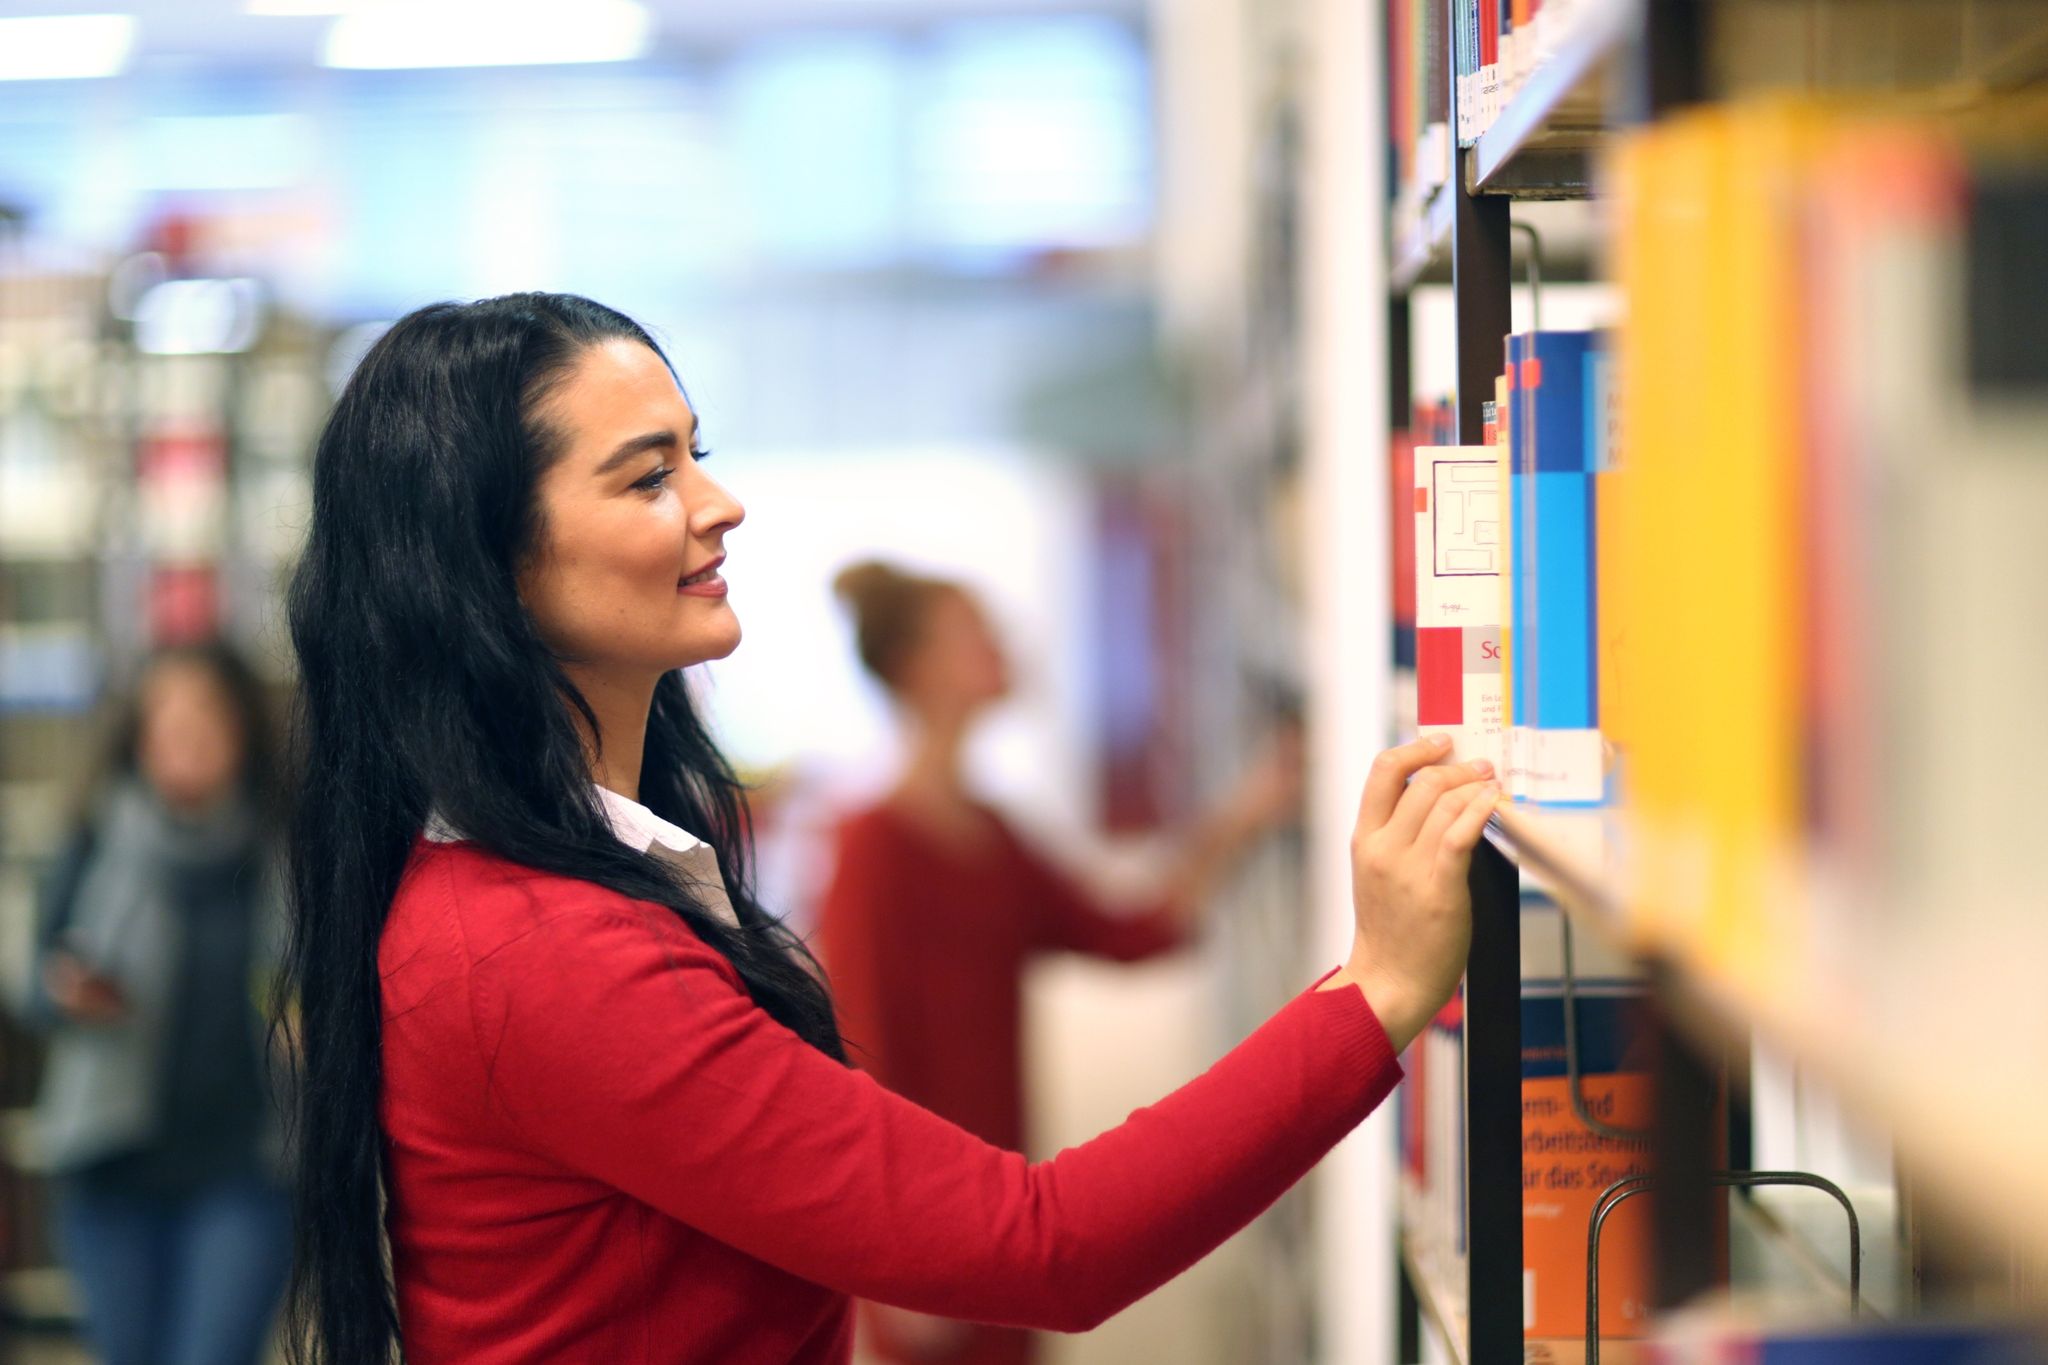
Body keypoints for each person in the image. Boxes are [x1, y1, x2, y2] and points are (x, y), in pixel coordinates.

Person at [280, 292, 1499, 1365]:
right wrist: (1379, 987)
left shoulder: (561, 887)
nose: (722, 502)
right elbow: (1046, 1246)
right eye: (649, 476)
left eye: (698, 454)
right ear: (484, 566)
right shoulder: (545, 957)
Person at [820, 560, 1300, 1365]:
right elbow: (857, 1057)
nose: (1004, 647)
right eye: (976, 633)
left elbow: (1131, 930)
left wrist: (1249, 813)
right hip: (918, 1238)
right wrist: (884, 1271)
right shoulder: (872, 847)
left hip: (1007, 1209)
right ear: (919, 670)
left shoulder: (993, 836)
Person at [27, 642, 292, 1365]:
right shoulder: (96, 837)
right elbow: (36, 987)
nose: (187, 727)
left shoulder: (284, 846)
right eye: (166, 711)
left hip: (247, 1166)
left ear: (244, 725)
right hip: (110, 1166)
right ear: (136, 732)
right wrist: (68, 990)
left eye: (206, 708)